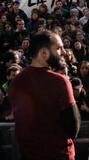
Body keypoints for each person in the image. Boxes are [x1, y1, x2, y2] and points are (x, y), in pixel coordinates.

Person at [8, 30, 81, 160]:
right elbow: (73, 129)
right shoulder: (60, 82)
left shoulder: (16, 81)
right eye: (59, 48)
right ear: (44, 53)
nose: (64, 52)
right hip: (58, 155)